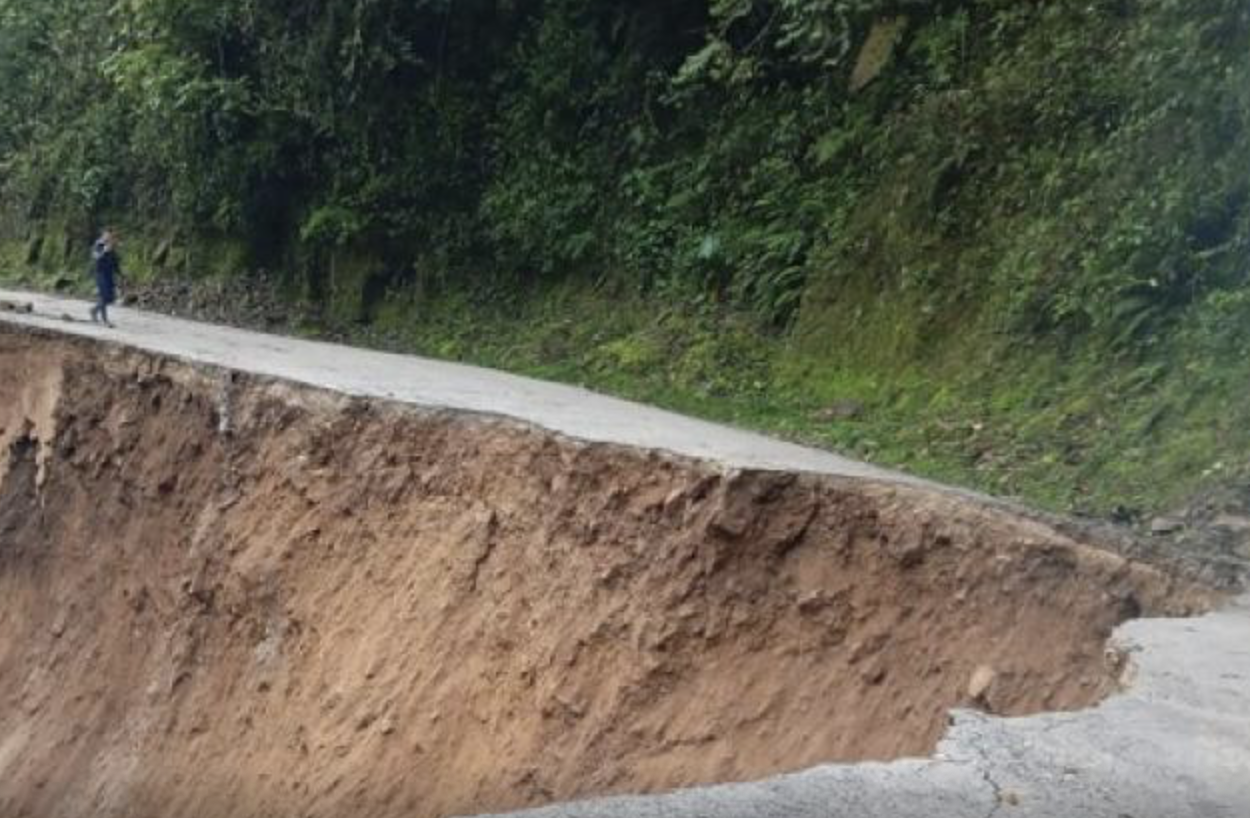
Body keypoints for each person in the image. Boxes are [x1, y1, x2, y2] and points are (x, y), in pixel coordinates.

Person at [89, 229, 120, 326]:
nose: (109, 238)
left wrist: (121, 274)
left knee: (110, 298)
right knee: (104, 296)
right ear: (103, 235)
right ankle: (104, 319)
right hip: (100, 273)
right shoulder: (99, 245)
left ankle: (94, 311)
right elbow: (96, 257)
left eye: (111, 237)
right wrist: (104, 251)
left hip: (109, 274)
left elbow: (115, 262)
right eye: (108, 236)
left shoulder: (112, 246)